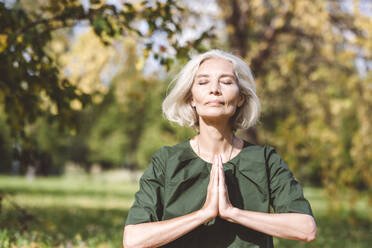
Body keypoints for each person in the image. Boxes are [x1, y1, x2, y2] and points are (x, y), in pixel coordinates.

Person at [123, 50, 316, 248]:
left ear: (241, 97)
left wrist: (233, 213)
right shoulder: (167, 161)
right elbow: (133, 240)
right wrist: (203, 214)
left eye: (226, 81)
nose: (214, 89)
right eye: (203, 82)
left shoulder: (266, 160)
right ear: (191, 98)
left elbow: (306, 228)